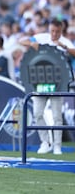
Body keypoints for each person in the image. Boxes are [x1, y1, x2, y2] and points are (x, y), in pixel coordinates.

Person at [19, 18, 75, 155]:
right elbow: (21, 40)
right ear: (49, 29)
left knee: (57, 117)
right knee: (38, 113)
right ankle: (45, 142)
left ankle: (57, 146)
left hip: (58, 84)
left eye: (57, 31)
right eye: (52, 31)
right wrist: (32, 43)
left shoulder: (66, 42)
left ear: (61, 31)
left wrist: (64, 46)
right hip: (39, 82)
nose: (54, 34)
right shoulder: (42, 37)